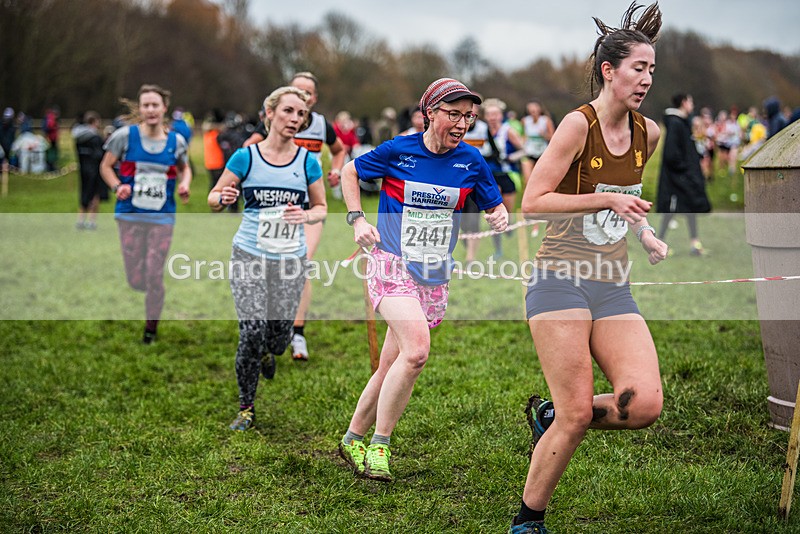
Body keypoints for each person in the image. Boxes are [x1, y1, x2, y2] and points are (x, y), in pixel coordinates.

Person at [513, 3, 667, 532]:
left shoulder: (648, 133)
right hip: (559, 280)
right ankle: (528, 520)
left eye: (651, 70)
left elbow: (626, 201)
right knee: (578, 413)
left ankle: (549, 417)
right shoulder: (578, 125)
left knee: (643, 404)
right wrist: (606, 200)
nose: (646, 79)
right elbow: (533, 202)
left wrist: (645, 234)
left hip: (612, 285)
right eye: (637, 68)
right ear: (609, 70)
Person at [337, 78, 508, 482]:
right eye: (453, 114)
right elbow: (349, 172)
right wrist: (357, 218)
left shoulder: (471, 160)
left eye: (468, 117)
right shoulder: (399, 150)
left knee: (390, 365)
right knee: (415, 352)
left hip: (433, 273)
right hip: (391, 264)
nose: (462, 123)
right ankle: (380, 445)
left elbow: (494, 203)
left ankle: (351, 438)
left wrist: (498, 214)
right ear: (430, 113)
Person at [208, 86, 327, 432]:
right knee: (251, 329)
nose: (295, 119)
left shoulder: (307, 162)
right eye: (288, 111)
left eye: (301, 114)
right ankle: (246, 407)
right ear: (270, 113)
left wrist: (305, 215)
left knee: (277, 339)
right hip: (249, 254)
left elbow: (321, 207)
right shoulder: (246, 157)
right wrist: (223, 197)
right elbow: (213, 197)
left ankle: (266, 351)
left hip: (289, 260)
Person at [245, 72, 346, 361]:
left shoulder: (321, 125)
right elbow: (248, 150)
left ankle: (297, 333)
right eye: (297, 90)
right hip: (274, 208)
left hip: (310, 207)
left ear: (314, 98)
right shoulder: (277, 121)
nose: (303, 96)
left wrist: (336, 169)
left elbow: (339, 150)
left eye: (308, 93)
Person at [100, 84, 192, 344]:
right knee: (136, 279)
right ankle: (147, 288)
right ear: (140, 109)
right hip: (130, 214)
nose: (151, 110)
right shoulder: (124, 137)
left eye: (155, 105)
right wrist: (117, 186)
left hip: (162, 217)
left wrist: (185, 184)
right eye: (146, 105)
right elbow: (105, 166)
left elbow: (185, 168)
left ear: (164, 108)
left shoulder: (176, 142)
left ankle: (151, 328)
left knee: (154, 273)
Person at [656, 93, 711, 256]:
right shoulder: (675, 123)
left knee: (690, 209)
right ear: (684, 102)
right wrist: (685, 168)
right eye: (690, 101)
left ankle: (695, 244)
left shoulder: (684, 123)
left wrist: (696, 156)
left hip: (685, 177)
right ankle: (658, 244)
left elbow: (686, 149)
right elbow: (671, 153)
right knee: (670, 211)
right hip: (676, 179)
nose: (692, 105)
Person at [483, 97, 525, 259]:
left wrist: (510, 158)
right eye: (489, 114)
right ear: (485, 116)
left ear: (501, 115)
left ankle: (510, 233)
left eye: (495, 114)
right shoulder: (482, 131)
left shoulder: (508, 131)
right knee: (495, 214)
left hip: (507, 175)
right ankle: (498, 250)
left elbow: (523, 150)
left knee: (508, 214)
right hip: (489, 177)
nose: (492, 118)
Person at [73, 111, 107, 230]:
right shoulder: (95, 137)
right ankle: (91, 221)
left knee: (84, 194)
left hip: (83, 169)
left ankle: (80, 220)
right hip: (95, 170)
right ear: (94, 122)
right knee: (95, 195)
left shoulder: (78, 137)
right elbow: (99, 155)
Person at [520, 100, 556, 181]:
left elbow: (553, 137)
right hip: (529, 152)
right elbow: (523, 135)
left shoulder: (546, 120)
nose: (533, 113)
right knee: (528, 179)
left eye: (534, 110)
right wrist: (522, 143)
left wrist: (544, 135)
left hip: (542, 153)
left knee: (540, 179)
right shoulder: (525, 121)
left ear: (539, 110)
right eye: (531, 111)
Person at [202, 108, 226, 193]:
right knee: (217, 184)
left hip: (209, 163)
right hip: (218, 163)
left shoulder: (207, 134)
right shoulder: (217, 135)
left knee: (214, 182)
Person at [43, 106, 60, 171]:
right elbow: (50, 126)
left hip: (52, 138)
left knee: (51, 152)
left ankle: (51, 166)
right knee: (52, 153)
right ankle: (51, 167)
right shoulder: (51, 117)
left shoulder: (50, 117)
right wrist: (55, 127)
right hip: (51, 138)